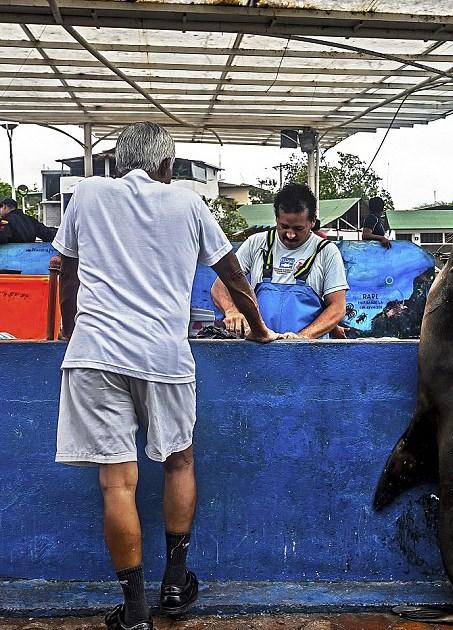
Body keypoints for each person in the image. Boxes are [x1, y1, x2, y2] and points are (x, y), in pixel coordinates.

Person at [53, 122, 277, 630]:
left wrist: (70, 330)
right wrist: (260, 329)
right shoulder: (188, 204)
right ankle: (175, 585)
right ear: (167, 167)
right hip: (163, 356)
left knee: (116, 481)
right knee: (178, 461)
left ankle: (133, 611)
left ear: (116, 162)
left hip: (95, 354)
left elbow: (66, 268)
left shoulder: (86, 195)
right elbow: (233, 275)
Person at [211, 182, 348, 339]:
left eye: (298, 228)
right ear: (276, 217)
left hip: (308, 355)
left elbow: (337, 307)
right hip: (260, 351)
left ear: (312, 221)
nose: (290, 234)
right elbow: (219, 286)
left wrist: (302, 338)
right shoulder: (256, 243)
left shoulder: (326, 252)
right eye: (284, 226)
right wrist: (232, 311)